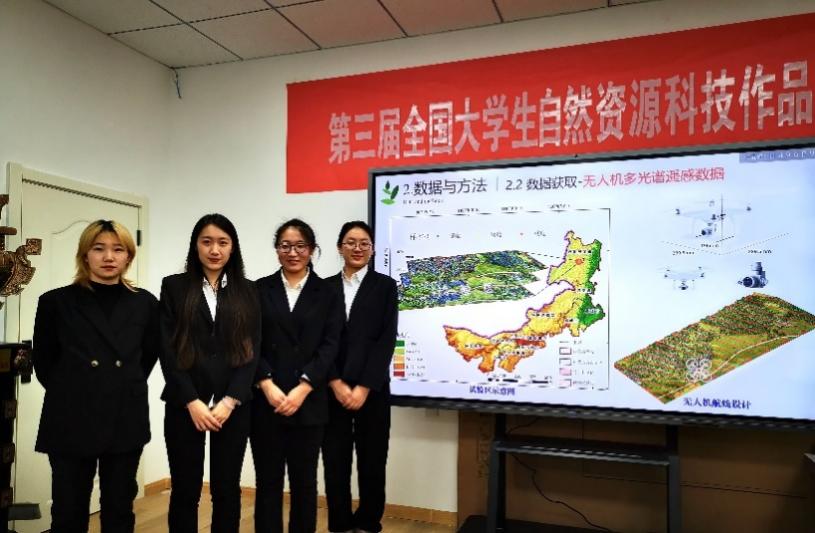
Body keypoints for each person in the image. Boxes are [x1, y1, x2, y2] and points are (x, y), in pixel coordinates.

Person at [33, 219, 158, 532]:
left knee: (119, 509)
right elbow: (44, 362)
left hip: (124, 415)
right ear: (85, 255)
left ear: (128, 256)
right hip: (71, 416)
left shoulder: (145, 303)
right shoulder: (55, 302)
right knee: (68, 511)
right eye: (99, 248)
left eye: (118, 249)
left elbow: (147, 357)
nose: (109, 257)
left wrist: (119, 384)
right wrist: (77, 389)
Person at [158, 213, 260, 533]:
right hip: (185, 402)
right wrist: (191, 400)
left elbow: (253, 350)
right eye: (207, 242)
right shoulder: (174, 286)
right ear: (196, 245)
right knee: (185, 489)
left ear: (232, 247)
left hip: (233, 405)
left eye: (222, 242)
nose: (214, 250)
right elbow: (167, 349)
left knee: (226, 488)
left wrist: (230, 400)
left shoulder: (249, 291)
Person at [251, 218, 342, 533]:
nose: (293, 253)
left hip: (309, 401)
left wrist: (304, 387)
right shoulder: (259, 289)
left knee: (305, 483)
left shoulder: (327, 292)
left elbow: (331, 344)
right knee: (268, 482)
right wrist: (265, 383)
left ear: (312, 249)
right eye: (285, 246)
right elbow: (249, 341)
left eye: (300, 246)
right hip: (266, 400)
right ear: (276, 249)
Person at [322, 221, 398, 533]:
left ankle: (368, 521)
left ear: (373, 249)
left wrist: (364, 387)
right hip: (332, 389)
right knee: (335, 461)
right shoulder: (323, 288)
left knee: (373, 460)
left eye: (364, 243)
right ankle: (340, 523)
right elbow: (318, 341)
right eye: (351, 242)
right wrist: (335, 382)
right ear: (340, 247)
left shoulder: (385, 287)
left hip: (373, 389)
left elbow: (386, 340)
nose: (357, 248)